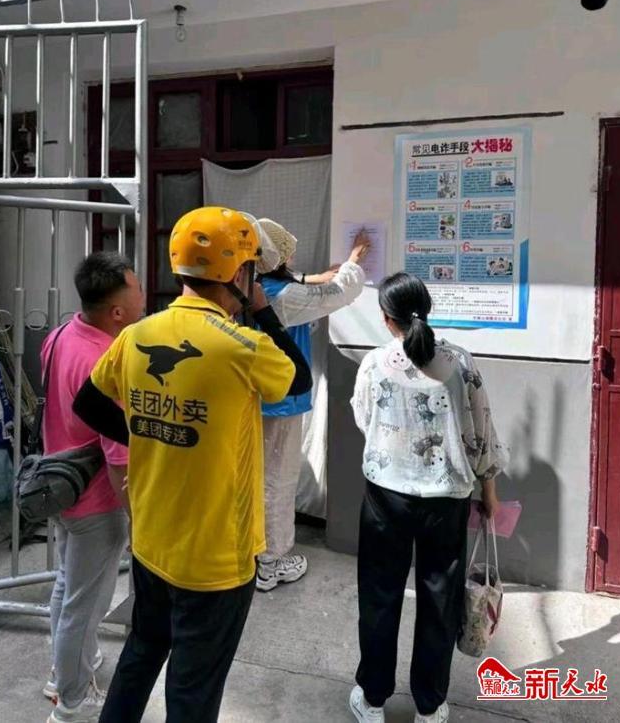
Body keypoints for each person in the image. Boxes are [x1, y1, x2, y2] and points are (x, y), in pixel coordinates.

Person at [72, 206, 312, 723]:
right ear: (239, 273)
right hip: (216, 559)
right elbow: (299, 378)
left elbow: (87, 403)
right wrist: (264, 311)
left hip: (151, 540)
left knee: (141, 652)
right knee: (192, 690)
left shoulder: (137, 334)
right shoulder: (244, 346)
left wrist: (145, 434)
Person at [349, 273, 508, 723]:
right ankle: (430, 704)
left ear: (387, 319)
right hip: (446, 500)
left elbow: (365, 420)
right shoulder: (460, 362)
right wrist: (489, 490)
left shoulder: (374, 364)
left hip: (385, 499)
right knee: (440, 601)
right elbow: (481, 432)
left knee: (379, 596)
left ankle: (373, 699)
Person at [43, 252, 144, 723]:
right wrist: (137, 521)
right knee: (84, 606)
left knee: (68, 586)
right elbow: (119, 458)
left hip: (60, 484)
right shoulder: (109, 363)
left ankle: (65, 669)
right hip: (97, 501)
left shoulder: (61, 334)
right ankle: (71, 701)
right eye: (137, 289)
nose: (144, 295)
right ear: (117, 311)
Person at [253, 218, 369, 592]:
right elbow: (338, 293)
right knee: (277, 480)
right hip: (280, 401)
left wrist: (314, 277)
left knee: (256, 478)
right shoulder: (285, 297)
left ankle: (253, 553)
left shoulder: (252, 287)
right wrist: (354, 260)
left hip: (254, 398)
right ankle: (271, 562)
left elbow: (303, 285)